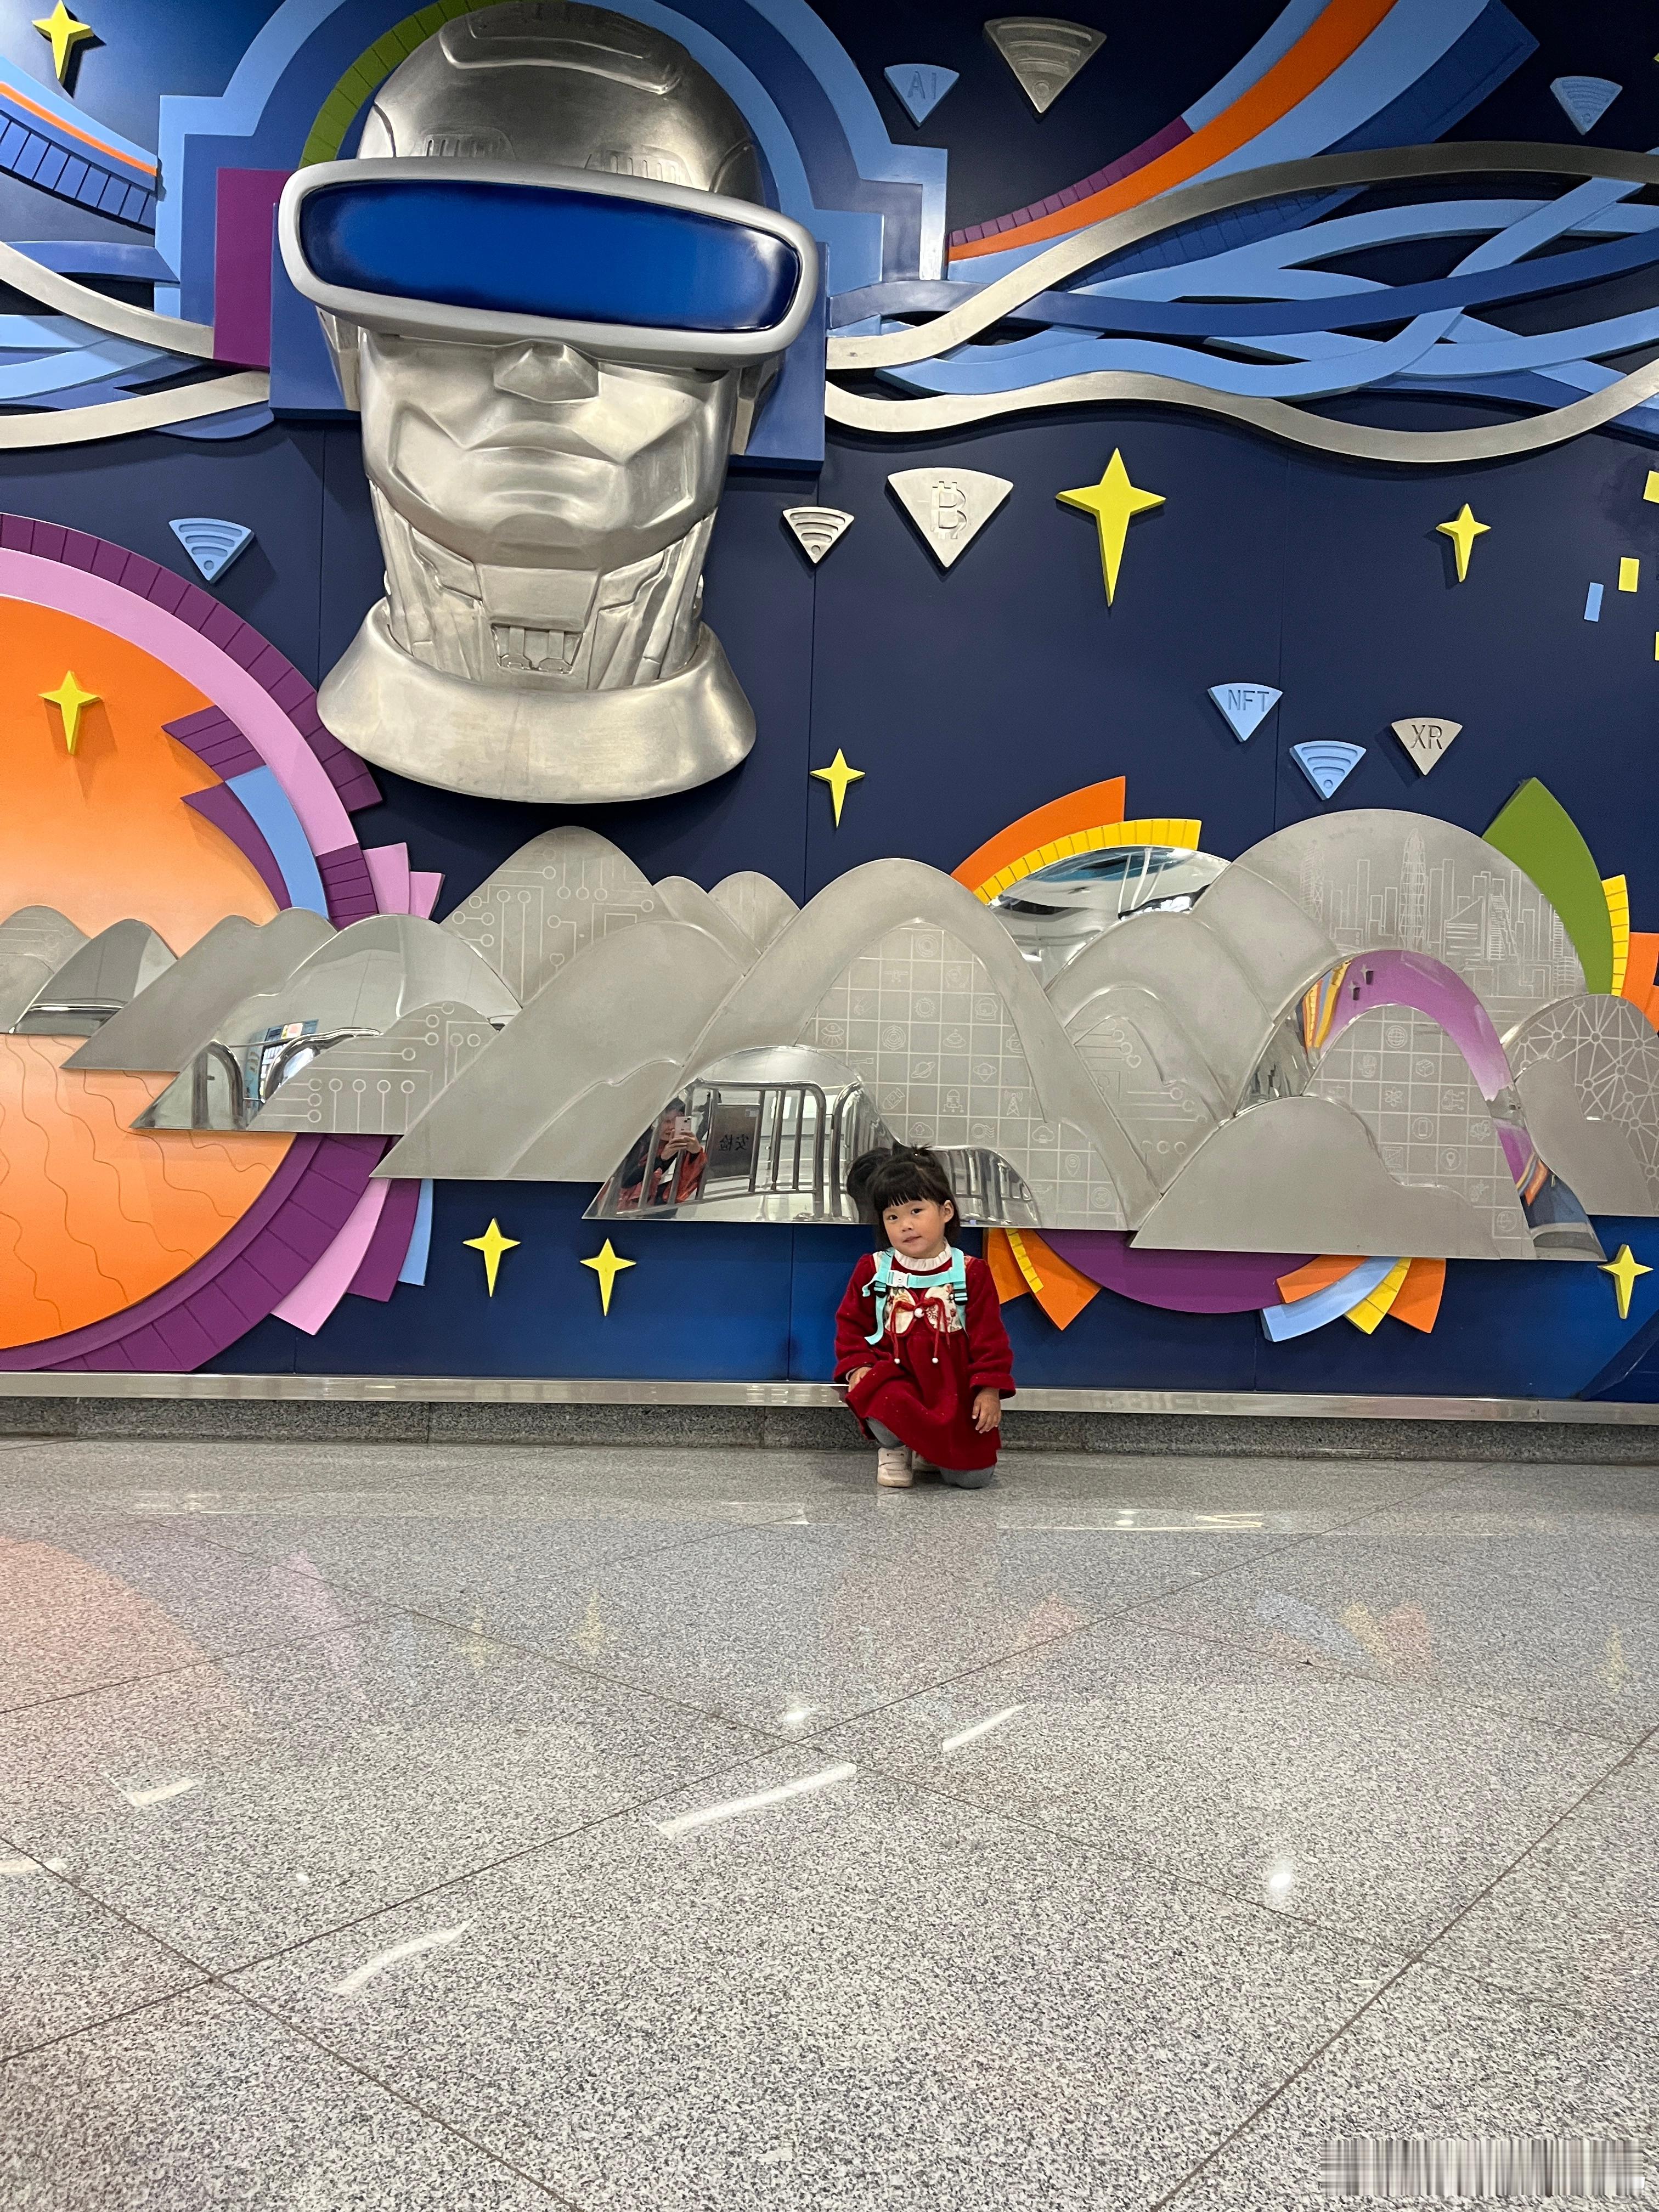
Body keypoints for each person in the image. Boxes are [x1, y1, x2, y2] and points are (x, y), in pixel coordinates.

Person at [833, 1145, 1016, 1489]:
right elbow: (850, 1326)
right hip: (896, 1382)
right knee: (875, 1391)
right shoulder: (873, 1269)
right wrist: (858, 1367)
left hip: (952, 1391)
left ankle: (930, 1448)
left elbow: (990, 1339)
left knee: (973, 1480)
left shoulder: (972, 1272)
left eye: (916, 1211)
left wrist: (989, 1390)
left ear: (946, 1211)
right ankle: (895, 1447)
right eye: (892, 1217)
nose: (906, 1225)